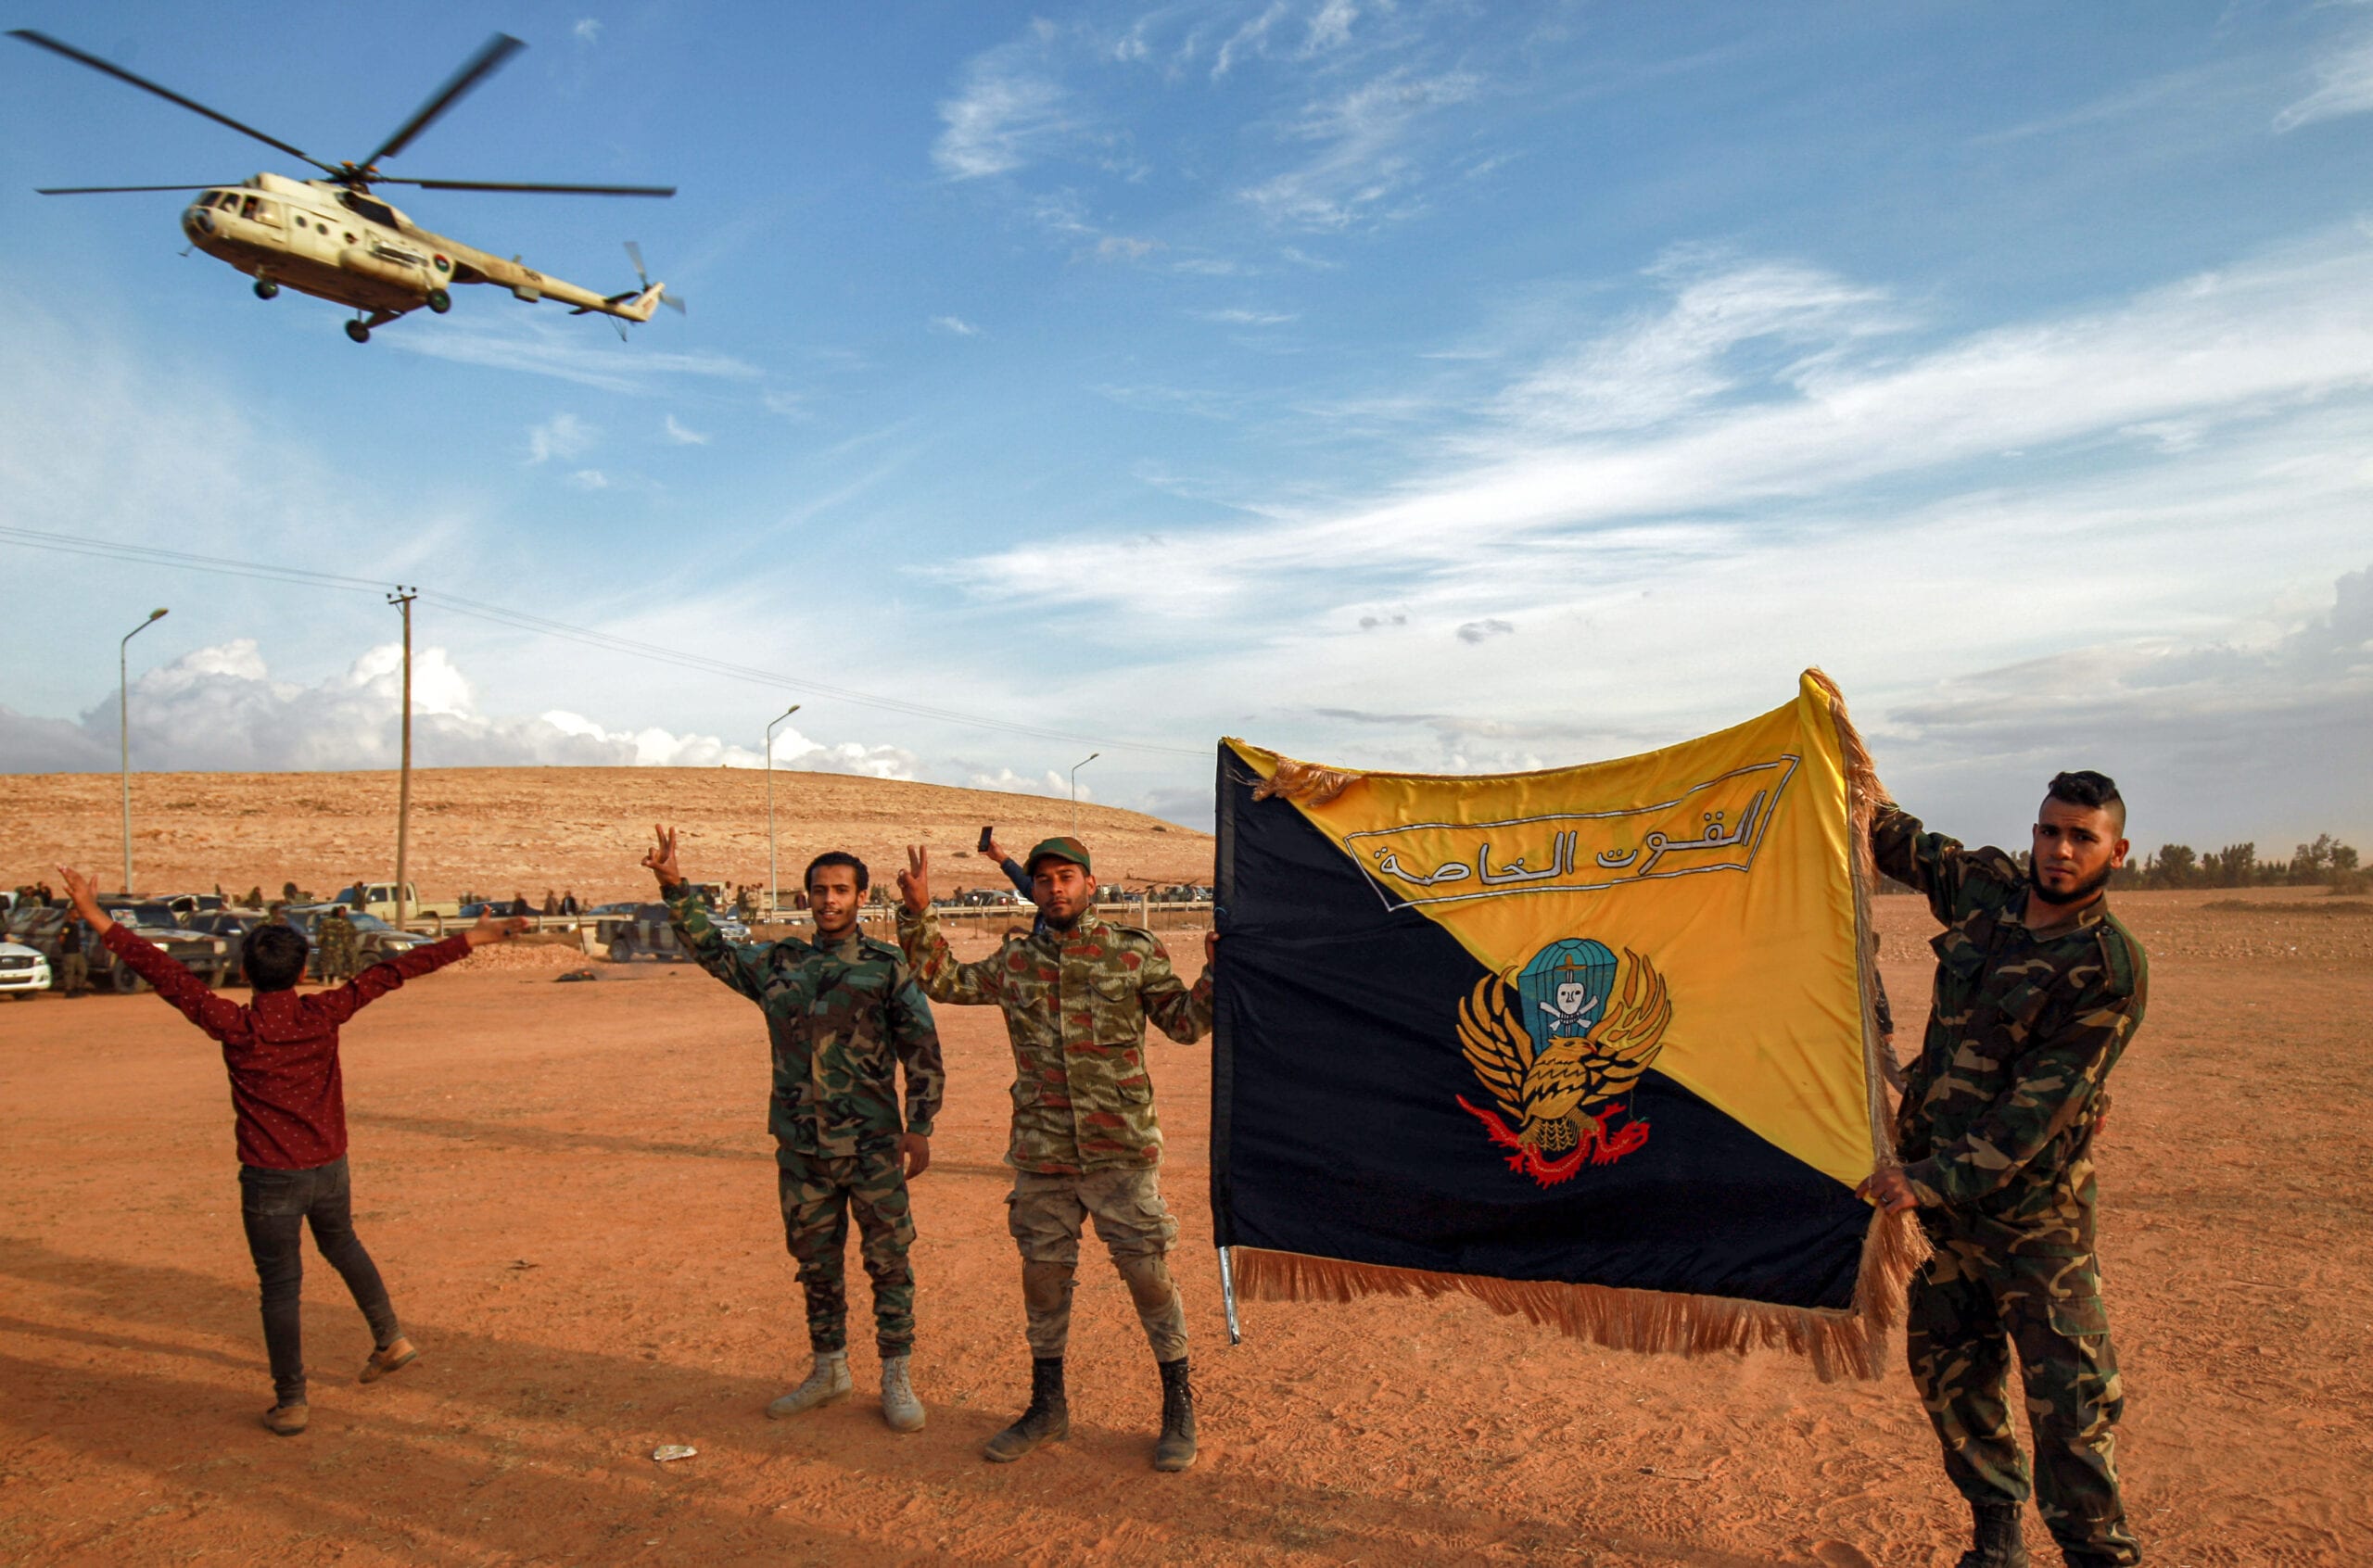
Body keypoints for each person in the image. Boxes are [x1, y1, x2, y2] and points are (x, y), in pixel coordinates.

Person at [52, 861, 527, 1436]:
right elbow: (393, 971)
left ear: (247, 972)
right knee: (343, 1243)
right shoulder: (324, 1011)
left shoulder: (233, 1023)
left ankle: (292, 1400)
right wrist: (470, 939)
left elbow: (166, 972)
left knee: (280, 1287)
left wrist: (99, 917)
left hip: (269, 1180)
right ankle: (389, 1337)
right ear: (304, 969)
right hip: (329, 1168)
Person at [1854, 771, 2148, 1568]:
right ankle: (1996, 1541)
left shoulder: (2108, 967)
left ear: (2116, 852)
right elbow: (1898, 842)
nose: (2060, 849)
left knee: (2070, 1405)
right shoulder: (1989, 890)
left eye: (2082, 837)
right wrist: (1825, 764)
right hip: (1946, 1217)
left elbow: (2033, 1114)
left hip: (2034, 1220)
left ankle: (2099, 1557)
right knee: (1952, 1376)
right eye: (2051, 830)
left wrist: (1927, 1179)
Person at [896, 836, 1216, 1472]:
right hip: (1042, 1154)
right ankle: (1048, 1407)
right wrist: (918, 914)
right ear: (1034, 890)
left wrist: (1216, 974)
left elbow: (1184, 1025)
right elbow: (945, 980)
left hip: (1120, 1151)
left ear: (1091, 884)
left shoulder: (1134, 953)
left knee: (1148, 1277)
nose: (1055, 889)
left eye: (1067, 877)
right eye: (1044, 880)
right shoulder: (1016, 962)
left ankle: (1178, 1404)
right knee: (1043, 1281)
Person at [643, 826, 943, 1432]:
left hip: (872, 1145)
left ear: (861, 898)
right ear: (806, 899)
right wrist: (676, 888)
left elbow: (922, 1048)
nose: (829, 901)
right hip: (802, 1147)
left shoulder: (885, 966)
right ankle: (830, 1369)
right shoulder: (779, 964)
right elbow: (713, 951)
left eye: (840, 890)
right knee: (815, 1262)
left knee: (889, 1262)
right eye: (819, 891)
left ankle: (896, 1376)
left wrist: (921, 1125)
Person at [317, 906, 358, 985]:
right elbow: (350, 933)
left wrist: (319, 943)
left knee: (326, 962)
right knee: (338, 962)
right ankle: (335, 980)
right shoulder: (344, 922)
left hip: (327, 945)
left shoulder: (326, 922)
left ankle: (326, 980)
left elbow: (320, 935)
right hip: (338, 946)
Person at [55, 914, 90, 997]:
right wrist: (65, 948)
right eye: (76, 912)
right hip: (69, 952)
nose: (78, 914)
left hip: (77, 951)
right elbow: (62, 938)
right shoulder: (67, 925)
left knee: (83, 970)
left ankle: (79, 988)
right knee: (69, 971)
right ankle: (69, 990)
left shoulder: (76, 925)